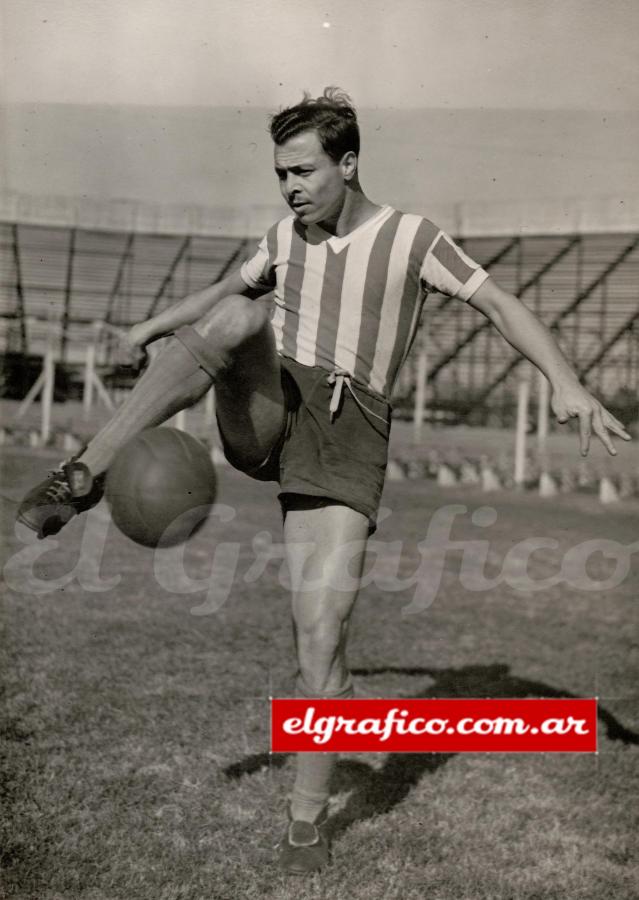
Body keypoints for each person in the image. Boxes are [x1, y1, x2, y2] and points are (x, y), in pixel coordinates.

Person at [17, 87, 631, 874]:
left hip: (347, 433)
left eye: (303, 171)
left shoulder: (412, 237)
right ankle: (81, 476)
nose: (291, 187)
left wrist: (566, 383)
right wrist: (148, 326)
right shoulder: (284, 235)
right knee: (240, 319)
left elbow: (501, 305)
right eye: (280, 174)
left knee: (321, 637)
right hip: (275, 402)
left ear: (348, 163)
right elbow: (224, 298)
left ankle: (306, 819)